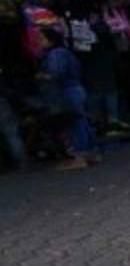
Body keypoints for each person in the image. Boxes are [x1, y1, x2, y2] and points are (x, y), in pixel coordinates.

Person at [38, 27, 97, 169]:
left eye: (42, 38)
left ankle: (80, 157)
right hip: (76, 88)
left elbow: (56, 74)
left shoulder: (56, 54)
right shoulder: (66, 52)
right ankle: (91, 153)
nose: (40, 42)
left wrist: (41, 76)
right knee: (81, 121)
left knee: (74, 123)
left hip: (68, 91)